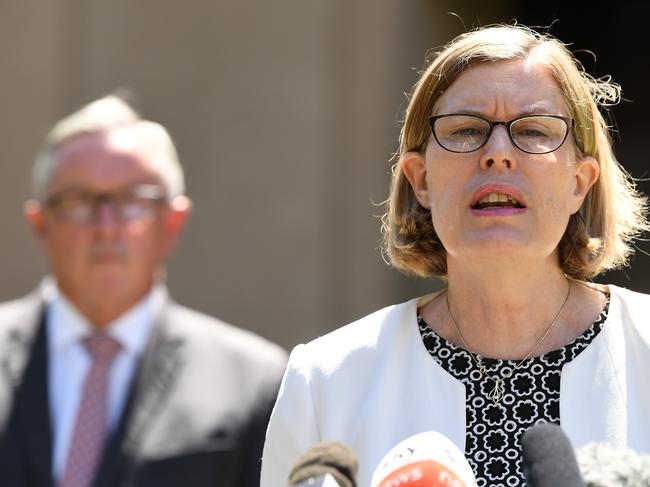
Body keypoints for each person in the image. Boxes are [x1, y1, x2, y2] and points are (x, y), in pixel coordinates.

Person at [261, 24, 650, 487]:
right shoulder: (326, 383)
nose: (498, 154)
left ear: (580, 182)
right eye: (466, 131)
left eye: (532, 130)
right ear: (420, 179)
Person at [0, 95, 288, 487]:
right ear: (39, 223)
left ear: (172, 221)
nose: (106, 227)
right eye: (80, 201)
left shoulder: (253, 381)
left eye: (134, 201)